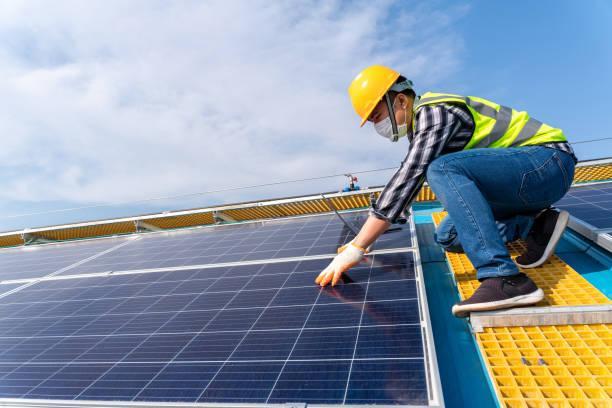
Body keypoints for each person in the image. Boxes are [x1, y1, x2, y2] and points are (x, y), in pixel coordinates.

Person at [315, 65, 577, 317]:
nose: (377, 125)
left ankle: (504, 278)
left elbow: (410, 175)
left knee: (440, 169)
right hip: (521, 185)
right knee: (449, 236)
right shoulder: (420, 126)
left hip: (548, 162)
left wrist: (357, 247)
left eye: (377, 115)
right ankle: (535, 224)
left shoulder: (435, 112)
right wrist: (364, 241)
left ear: (402, 101)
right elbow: (411, 183)